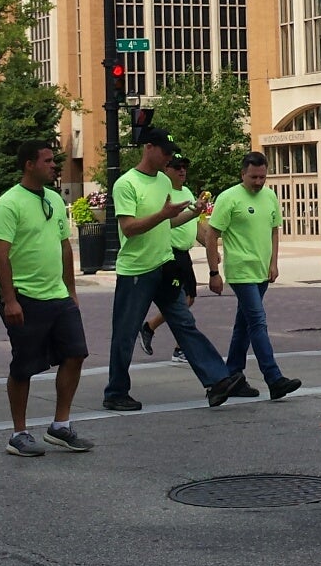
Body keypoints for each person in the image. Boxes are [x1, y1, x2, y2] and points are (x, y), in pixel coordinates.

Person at [103, 128, 245, 412]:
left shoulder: (162, 182)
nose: (169, 158)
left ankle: (217, 380)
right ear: (149, 148)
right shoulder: (126, 183)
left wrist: (193, 213)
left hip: (165, 266)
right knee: (125, 333)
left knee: (185, 323)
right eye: (165, 152)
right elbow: (129, 228)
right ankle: (115, 392)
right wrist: (162, 214)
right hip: (136, 270)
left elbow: (168, 223)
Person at [0, 140, 94, 456]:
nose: (54, 165)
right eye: (47, 160)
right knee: (23, 367)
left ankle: (60, 425)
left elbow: (64, 247)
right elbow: (1, 255)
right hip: (26, 297)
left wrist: (71, 291)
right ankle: (18, 433)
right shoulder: (9, 203)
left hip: (59, 296)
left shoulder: (54, 199)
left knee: (76, 354)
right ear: (29, 164)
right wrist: (10, 299)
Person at [205, 152, 300, 400]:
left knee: (244, 325)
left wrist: (274, 263)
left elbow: (274, 231)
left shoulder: (270, 197)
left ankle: (232, 375)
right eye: (253, 177)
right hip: (241, 270)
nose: (258, 182)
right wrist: (214, 272)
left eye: (262, 177)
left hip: (262, 271)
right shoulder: (229, 198)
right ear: (243, 174)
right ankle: (274, 378)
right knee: (257, 322)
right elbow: (211, 235)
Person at [138, 157, 204, 364]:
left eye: (185, 167)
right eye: (177, 167)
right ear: (166, 169)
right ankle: (179, 347)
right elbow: (166, 222)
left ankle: (150, 327)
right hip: (170, 253)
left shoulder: (187, 192)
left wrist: (210, 246)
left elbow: (195, 224)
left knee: (189, 299)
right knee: (178, 300)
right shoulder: (164, 193)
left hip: (184, 253)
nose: (182, 171)